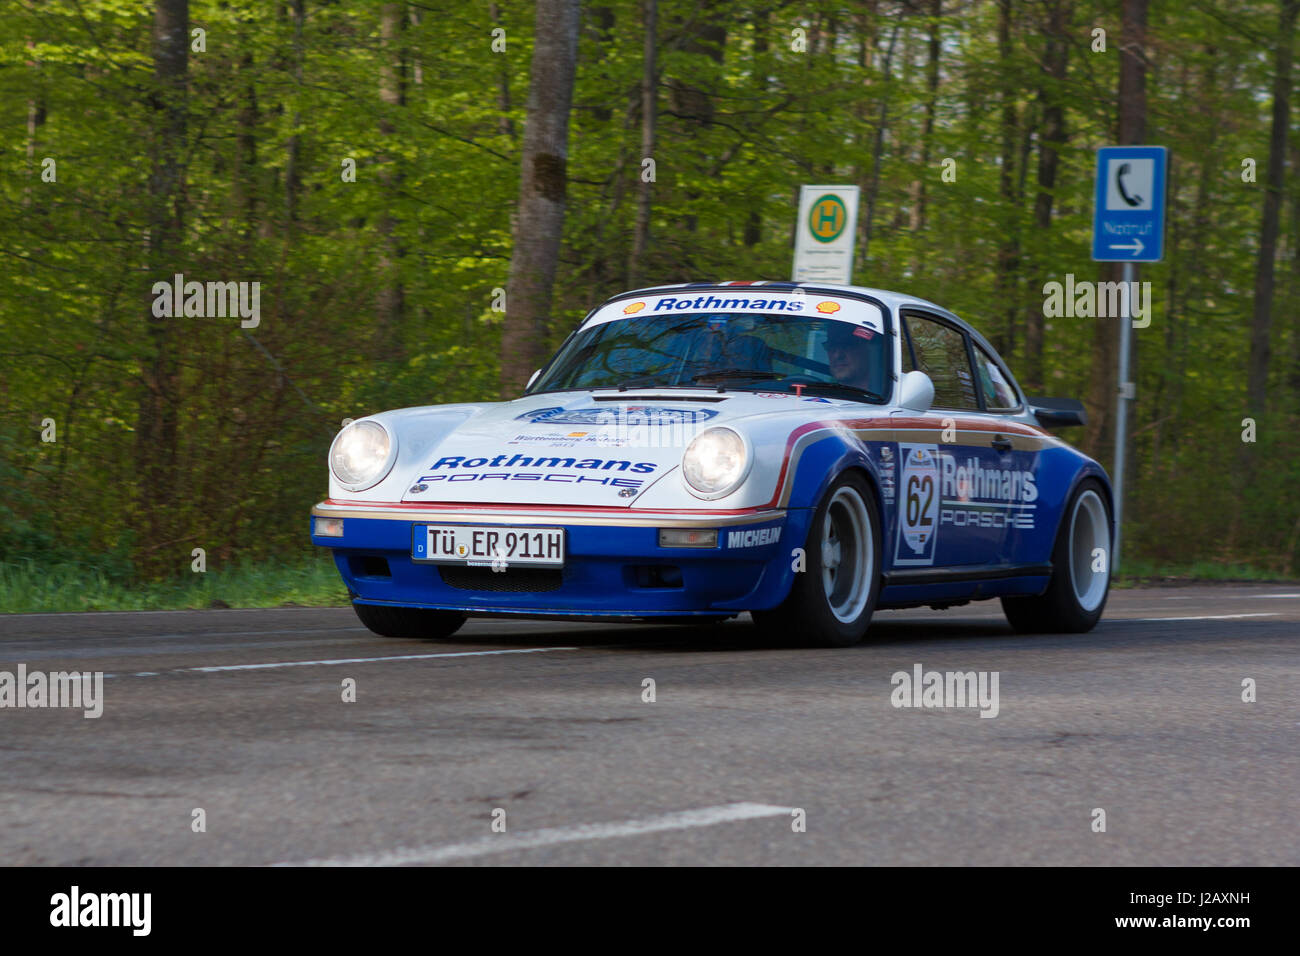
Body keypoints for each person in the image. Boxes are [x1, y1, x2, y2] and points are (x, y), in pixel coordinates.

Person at [824, 322, 881, 393]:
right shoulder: (820, 395)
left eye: (847, 345)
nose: (837, 355)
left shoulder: (891, 396)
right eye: (831, 346)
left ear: (870, 349)